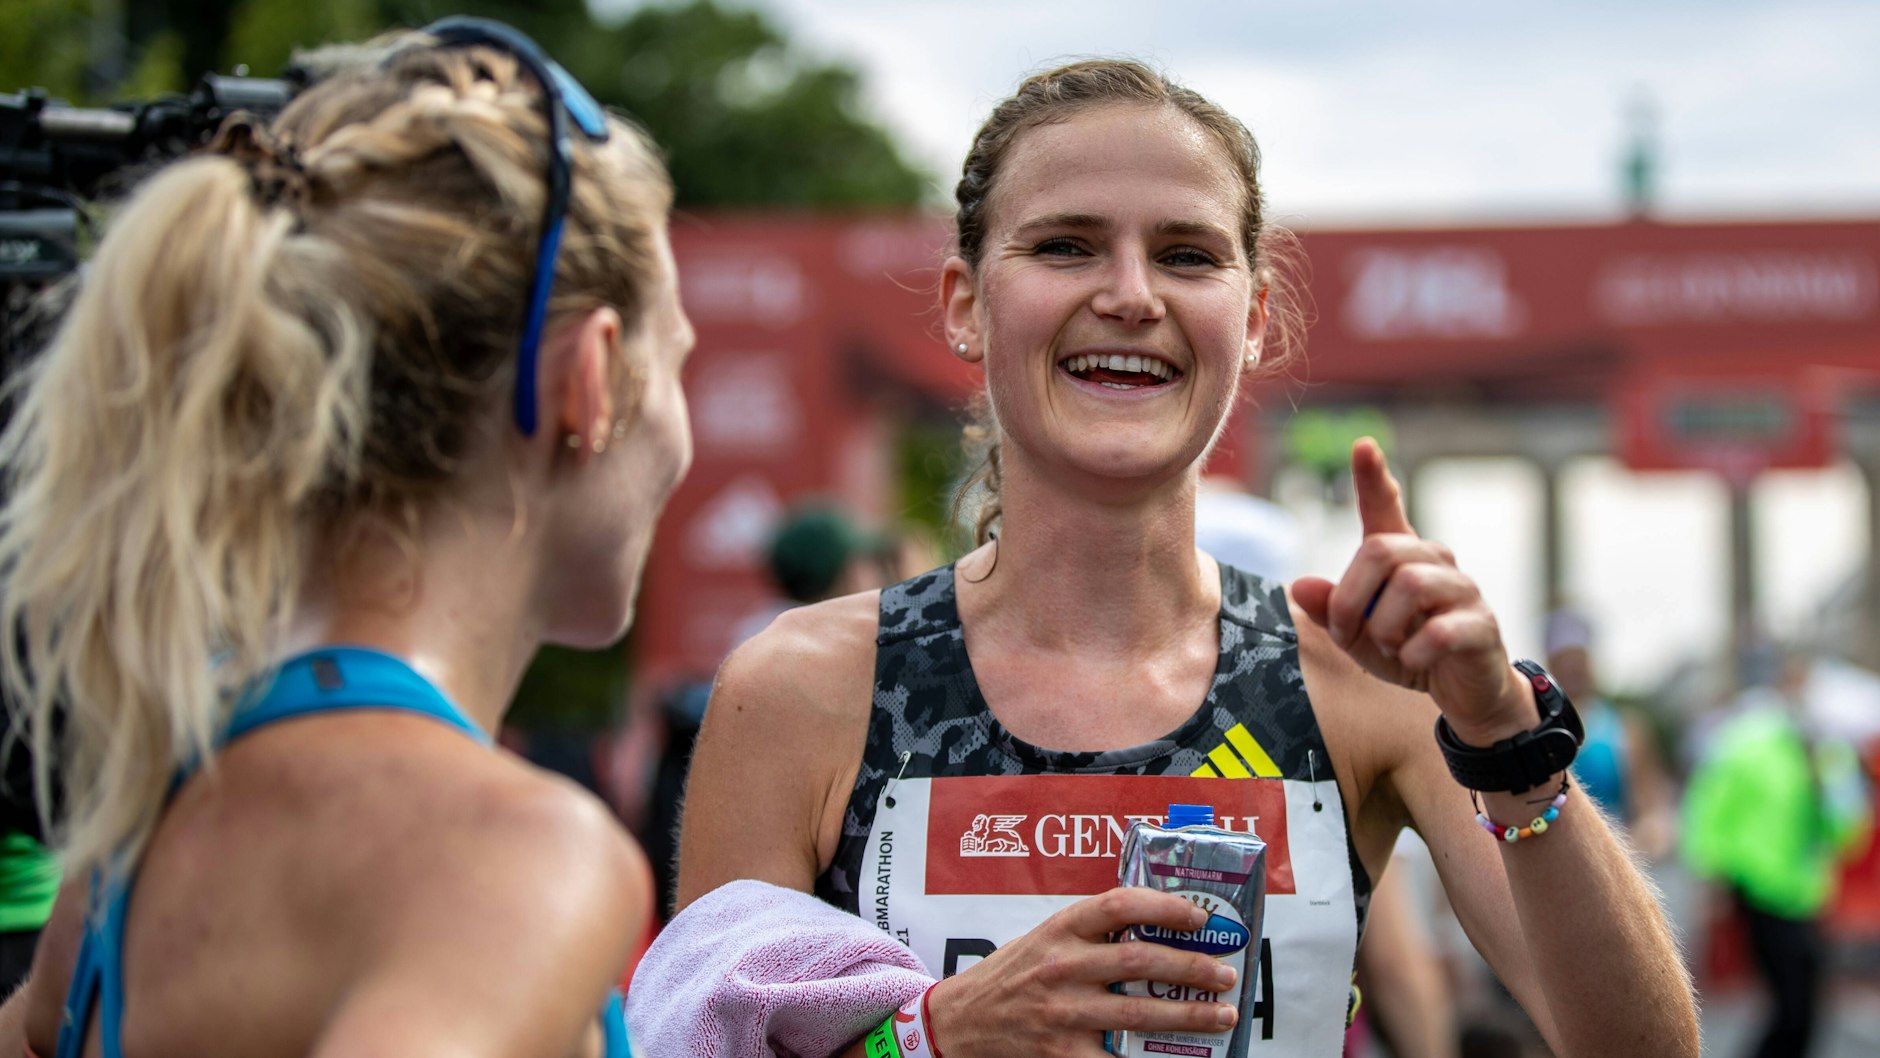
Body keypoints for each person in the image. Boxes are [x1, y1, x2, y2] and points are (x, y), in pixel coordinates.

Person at [645, 58, 1696, 1058]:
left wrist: (1504, 735)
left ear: (1252, 316)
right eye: (1064, 245)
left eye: (1187, 255)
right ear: (967, 305)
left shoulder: (1363, 680)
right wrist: (935, 1033)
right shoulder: (802, 687)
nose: (1131, 294)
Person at [0, 18, 692, 1057]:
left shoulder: (140, 816)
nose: (683, 432)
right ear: (585, 381)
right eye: (677, 358)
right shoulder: (516, 860)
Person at [1683, 645, 1873, 1058]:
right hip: (1756, 887)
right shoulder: (1747, 742)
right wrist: (1712, 874)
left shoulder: (1829, 753)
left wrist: (1827, 790)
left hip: (1806, 893)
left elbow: (1850, 834)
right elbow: (1709, 808)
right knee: (1792, 1005)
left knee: (1802, 1009)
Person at [1543, 608, 1675, 858]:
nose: (1572, 668)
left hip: (1612, 859)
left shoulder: (1626, 728)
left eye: (1578, 658)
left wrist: (1650, 833)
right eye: (1563, 659)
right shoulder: (1531, 730)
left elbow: (1652, 807)